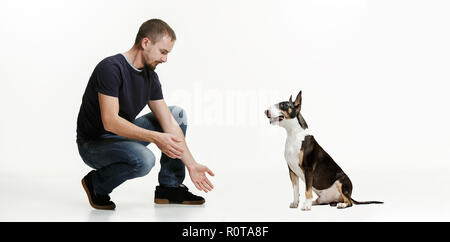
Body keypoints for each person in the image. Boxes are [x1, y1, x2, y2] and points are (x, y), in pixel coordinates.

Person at [76, 19, 214, 210]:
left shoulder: (150, 77)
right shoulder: (111, 68)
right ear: (146, 42)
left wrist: (191, 164)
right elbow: (110, 122)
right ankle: (96, 184)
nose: (165, 59)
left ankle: (169, 187)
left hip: (121, 137)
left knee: (176, 114)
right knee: (144, 160)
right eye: (163, 52)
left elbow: (170, 123)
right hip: (94, 144)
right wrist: (156, 138)